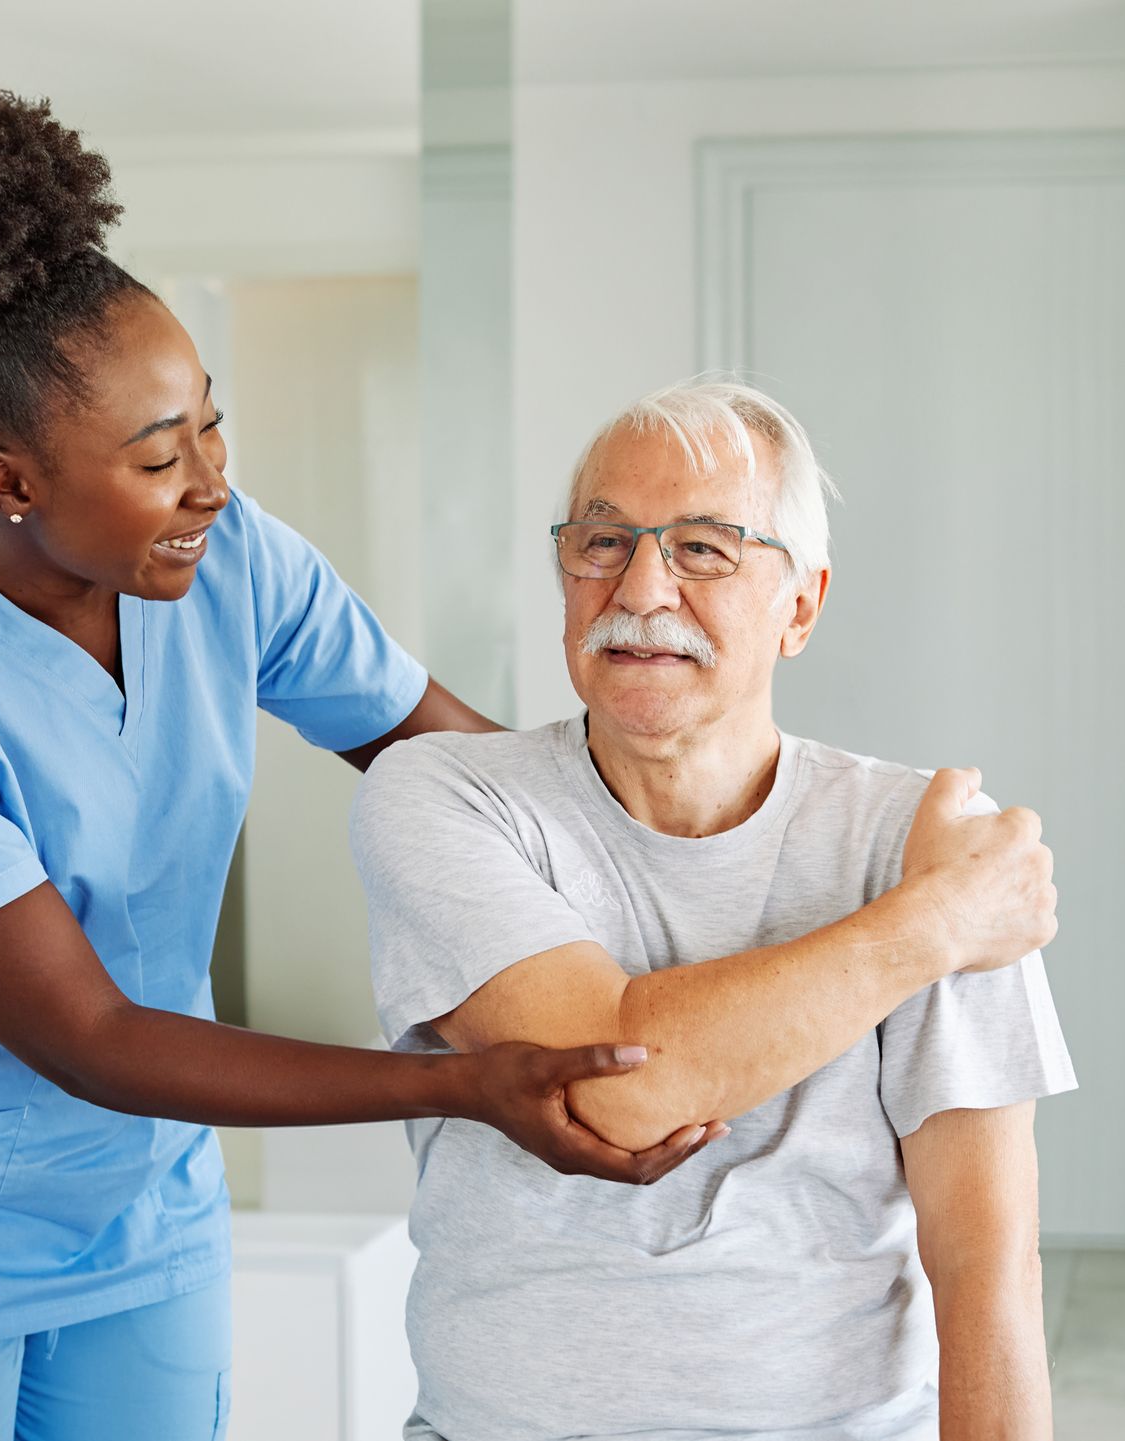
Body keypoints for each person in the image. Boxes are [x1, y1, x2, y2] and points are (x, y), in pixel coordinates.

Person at [0, 92, 726, 1441]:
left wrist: (703, 819)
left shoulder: (228, 558)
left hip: (147, 1203)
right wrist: (457, 1085)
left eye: (211, 424)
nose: (209, 481)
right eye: (157, 457)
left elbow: (448, 760)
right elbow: (88, 1036)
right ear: (5, 475)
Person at [351, 379, 1077, 1441]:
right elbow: (617, 1084)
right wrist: (929, 928)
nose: (640, 586)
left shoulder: (918, 836)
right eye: (602, 542)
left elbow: (987, 1260)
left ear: (802, 605)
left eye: (705, 548)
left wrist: (935, 903)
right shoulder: (443, 796)